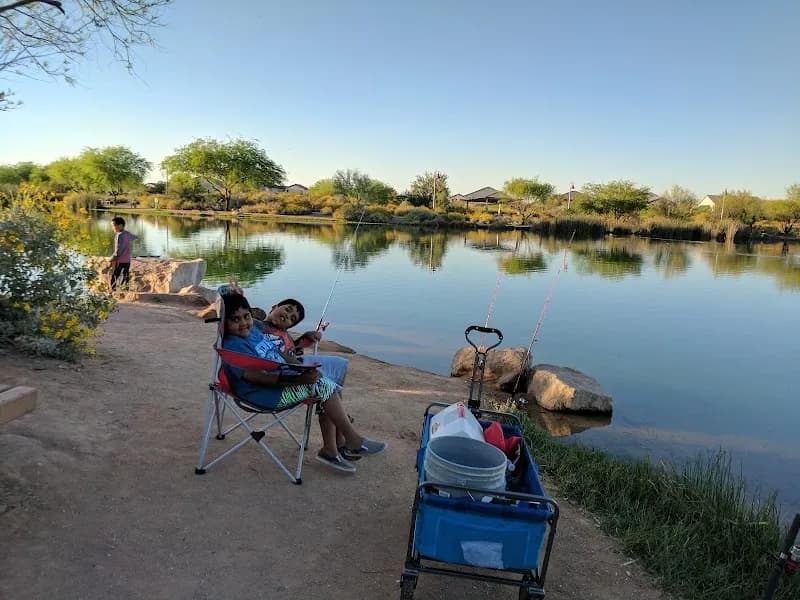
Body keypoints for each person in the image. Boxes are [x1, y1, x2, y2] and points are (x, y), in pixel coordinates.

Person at [220, 292, 386, 473]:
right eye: (235, 319)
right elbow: (256, 377)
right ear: (224, 322)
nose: (243, 323)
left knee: (325, 382)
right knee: (323, 386)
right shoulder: (233, 346)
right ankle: (351, 441)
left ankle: (334, 448)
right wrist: (297, 379)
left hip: (281, 379)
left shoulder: (252, 331)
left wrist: (301, 368)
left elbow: (280, 354)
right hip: (265, 393)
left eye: (246, 316)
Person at [109, 217, 138, 291]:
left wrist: (114, 257)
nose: (112, 228)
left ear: (120, 225)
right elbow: (135, 237)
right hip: (127, 260)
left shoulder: (119, 235)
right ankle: (125, 289)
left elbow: (119, 249)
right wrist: (127, 233)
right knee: (125, 275)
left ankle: (113, 290)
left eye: (114, 226)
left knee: (115, 275)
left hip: (119, 260)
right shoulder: (127, 234)